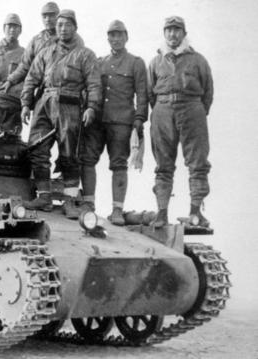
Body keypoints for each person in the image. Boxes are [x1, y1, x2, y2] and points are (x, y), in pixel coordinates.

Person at [20, 9, 102, 219]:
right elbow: (32, 78)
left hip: (70, 104)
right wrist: (26, 104)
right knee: (37, 148)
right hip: (45, 103)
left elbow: (94, 84)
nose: (63, 29)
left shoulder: (85, 54)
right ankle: (44, 196)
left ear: (75, 27)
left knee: (69, 154)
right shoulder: (46, 52)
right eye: (59, 25)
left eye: (67, 25)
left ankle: (70, 201)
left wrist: (92, 107)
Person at [80, 20, 148, 225]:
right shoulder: (99, 62)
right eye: (112, 35)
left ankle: (117, 210)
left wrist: (139, 119)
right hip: (98, 121)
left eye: (119, 35)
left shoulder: (136, 63)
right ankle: (88, 204)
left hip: (121, 122)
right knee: (87, 159)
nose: (115, 39)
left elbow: (142, 95)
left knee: (119, 164)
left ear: (126, 37)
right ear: (107, 38)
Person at [148, 16, 213, 228]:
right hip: (163, 111)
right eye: (168, 30)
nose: (173, 34)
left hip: (192, 110)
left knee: (198, 163)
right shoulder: (156, 62)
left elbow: (208, 92)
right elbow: (150, 92)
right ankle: (161, 213)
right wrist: (162, 109)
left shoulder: (198, 60)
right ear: (164, 33)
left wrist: (196, 111)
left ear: (184, 33)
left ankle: (195, 213)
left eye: (177, 30)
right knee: (163, 165)